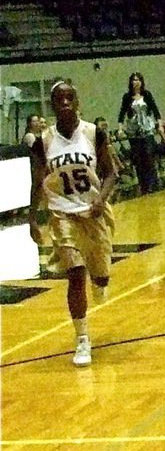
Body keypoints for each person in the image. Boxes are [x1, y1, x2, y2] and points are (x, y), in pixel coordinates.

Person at [27, 81, 118, 367]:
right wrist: (32, 217)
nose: (65, 103)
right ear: (52, 106)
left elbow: (111, 173)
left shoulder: (94, 133)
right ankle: (82, 339)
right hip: (62, 212)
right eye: (59, 99)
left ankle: (100, 281)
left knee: (100, 276)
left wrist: (101, 199)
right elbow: (37, 180)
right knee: (75, 273)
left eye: (70, 98)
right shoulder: (44, 141)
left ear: (77, 102)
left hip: (92, 212)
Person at [117, 71, 164, 195]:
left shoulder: (147, 95)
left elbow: (155, 110)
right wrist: (121, 129)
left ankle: (152, 182)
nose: (136, 82)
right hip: (134, 131)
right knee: (138, 158)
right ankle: (143, 184)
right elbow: (121, 114)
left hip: (147, 129)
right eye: (134, 80)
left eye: (138, 80)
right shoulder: (127, 97)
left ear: (141, 82)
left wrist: (159, 124)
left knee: (149, 156)